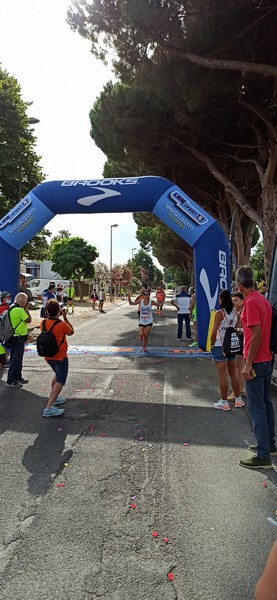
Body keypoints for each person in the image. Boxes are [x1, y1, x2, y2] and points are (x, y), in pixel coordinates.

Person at [236, 266, 275, 469]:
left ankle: (263, 455)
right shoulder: (263, 300)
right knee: (266, 403)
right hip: (267, 359)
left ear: (239, 286)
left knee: (257, 407)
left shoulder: (250, 303)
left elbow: (257, 334)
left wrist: (248, 363)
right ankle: (270, 445)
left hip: (257, 362)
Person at [210, 289, 244, 411]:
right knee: (233, 373)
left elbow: (214, 332)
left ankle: (224, 402)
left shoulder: (219, 313)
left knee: (222, 376)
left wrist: (212, 344)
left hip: (220, 346)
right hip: (231, 346)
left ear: (220, 299)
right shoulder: (236, 313)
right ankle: (238, 400)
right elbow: (238, 329)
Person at [41, 299, 74, 417]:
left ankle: (54, 397)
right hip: (60, 356)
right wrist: (65, 318)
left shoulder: (43, 323)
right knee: (60, 380)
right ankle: (48, 408)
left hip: (48, 356)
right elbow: (71, 332)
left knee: (57, 375)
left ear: (47, 311)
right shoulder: (61, 325)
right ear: (59, 311)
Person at [5, 292, 31, 388]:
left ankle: (17, 377)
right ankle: (10, 380)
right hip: (17, 337)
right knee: (15, 359)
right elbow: (29, 320)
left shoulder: (12, 307)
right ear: (23, 302)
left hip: (15, 337)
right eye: (25, 301)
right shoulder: (20, 310)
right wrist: (27, 309)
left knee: (17, 359)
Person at [227, 291, 246, 400]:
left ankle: (236, 392)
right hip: (241, 341)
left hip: (241, 341)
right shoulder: (238, 311)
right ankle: (241, 389)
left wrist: (236, 329)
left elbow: (246, 329)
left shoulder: (242, 312)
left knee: (237, 368)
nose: (233, 303)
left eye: (236, 300)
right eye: (232, 301)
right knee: (240, 367)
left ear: (242, 300)